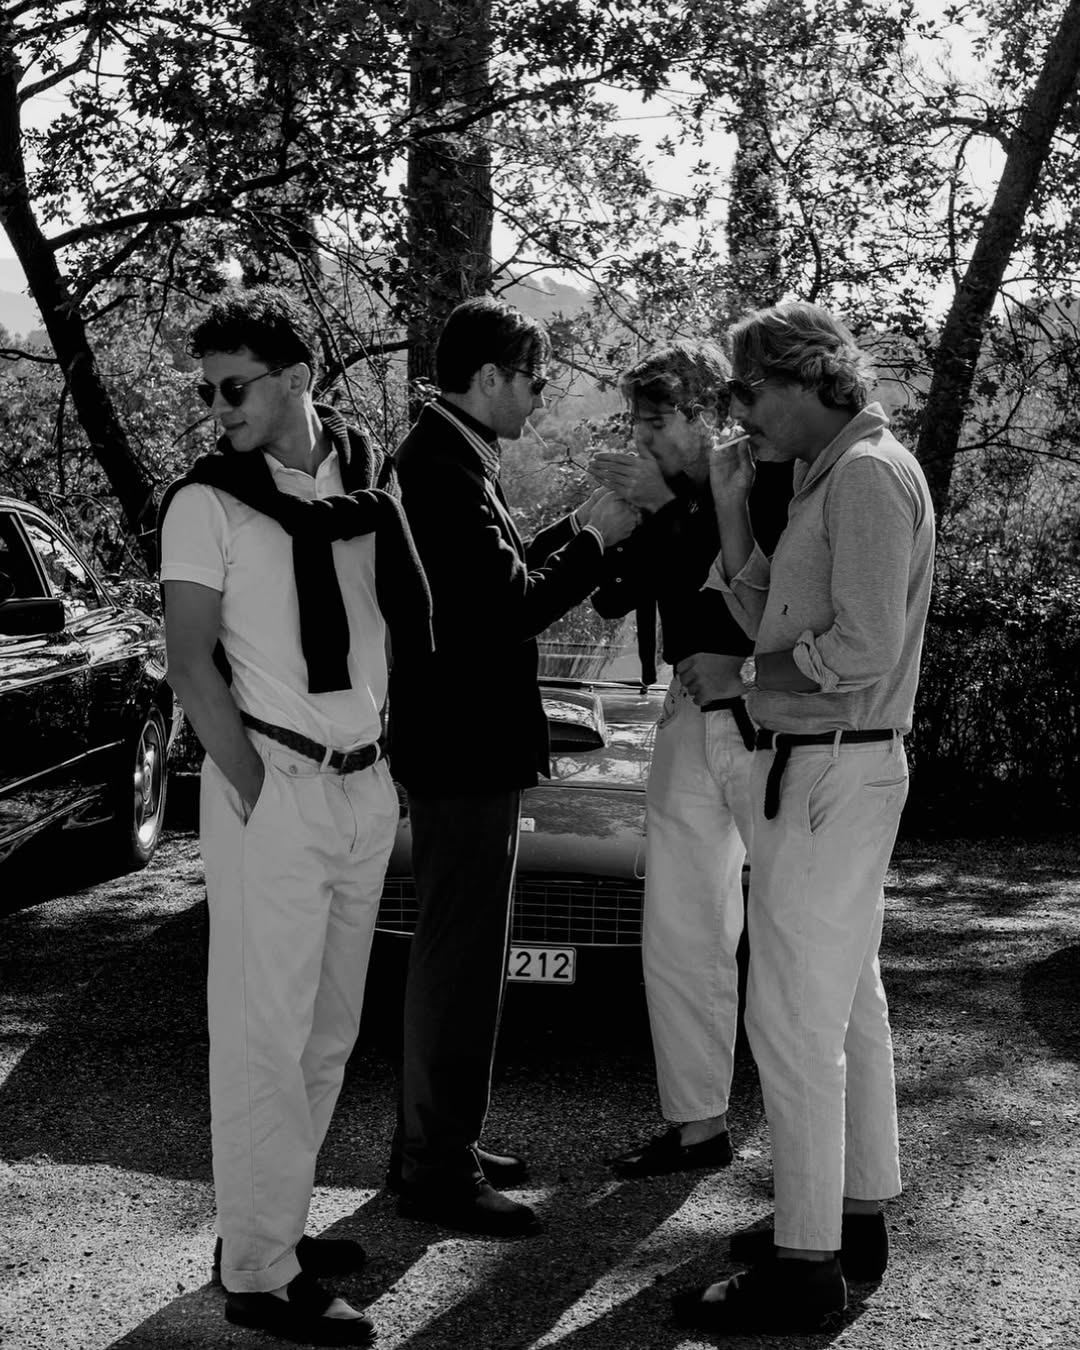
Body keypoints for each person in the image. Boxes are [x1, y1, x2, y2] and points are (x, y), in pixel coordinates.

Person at [160, 286, 430, 1347]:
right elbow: (190, 664)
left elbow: (392, 621)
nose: (218, 407)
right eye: (208, 391)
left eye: (234, 387)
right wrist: (256, 787)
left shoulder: (367, 475)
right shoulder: (207, 501)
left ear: (299, 379)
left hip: (364, 780)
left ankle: (267, 1228)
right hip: (272, 784)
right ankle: (260, 1279)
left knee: (327, 1034)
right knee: (261, 1039)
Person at [670, 301, 935, 1335]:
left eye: (745, 391)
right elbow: (769, 612)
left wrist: (744, 679)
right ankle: (850, 1219)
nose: (737, 413)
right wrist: (734, 511)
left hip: (832, 772)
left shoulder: (864, 475)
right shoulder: (833, 473)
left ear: (804, 377)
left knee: (792, 1022)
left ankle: (805, 1265)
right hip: (830, 770)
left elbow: (861, 649)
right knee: (847, 1006)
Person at [387, 295, 638, 1237]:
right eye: (534, 378)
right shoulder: (442, 469)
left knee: (460, 951)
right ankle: (436, 1168)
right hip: (463, 747)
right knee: (459, 957)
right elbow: (507, 611)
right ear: (489, 375)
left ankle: (437, 1137)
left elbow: (497, 577)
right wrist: (598, 541)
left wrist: (574, 529)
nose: (540, 395)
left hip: (459, 743)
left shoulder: (451, 455)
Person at [587, 343, 792, 1178]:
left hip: (768, 719)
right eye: (635, 420)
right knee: (680, 928)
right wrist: (617, 518)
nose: (642, 435)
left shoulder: (770, 476)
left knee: (792, 928)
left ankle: (815, 1153)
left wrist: (669, 503)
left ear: (708, 414)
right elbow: (615, 596)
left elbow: (761, 593)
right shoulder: (664, 490)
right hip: (682, 713)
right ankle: (698, 1125)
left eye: (657, 419)